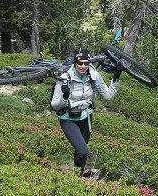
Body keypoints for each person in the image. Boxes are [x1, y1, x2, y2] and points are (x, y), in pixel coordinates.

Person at [50, 47, 120, 175]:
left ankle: (78, 177)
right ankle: (77, 175)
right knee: (83, 151)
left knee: (80, 152)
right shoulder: (64, 78)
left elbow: (108, 95)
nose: (83, 66)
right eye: (80, 63)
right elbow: (54, 105)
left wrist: (117, 76)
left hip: (86, 117)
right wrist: (64, 96)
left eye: (86, 63)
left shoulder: (94, 76)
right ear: (75, 63)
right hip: (68, 118)